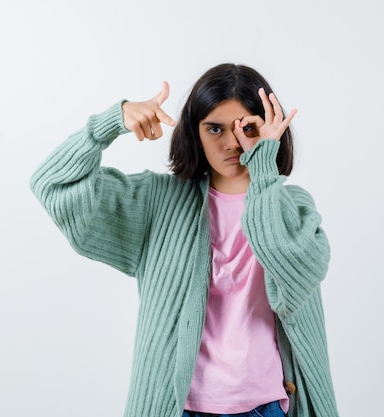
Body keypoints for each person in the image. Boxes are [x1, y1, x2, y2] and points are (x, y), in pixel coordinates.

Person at [30, 63, 339, 417]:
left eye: (246, 128)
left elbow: (293, 271)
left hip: (265, 406)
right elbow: (52, 184)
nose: (230, 142)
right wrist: (110, 122)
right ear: (196, 133)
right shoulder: (158, 203)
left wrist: (263, 165)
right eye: (214, 129)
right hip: (178, 407)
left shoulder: (293, 206)